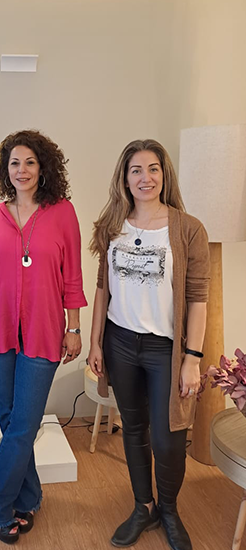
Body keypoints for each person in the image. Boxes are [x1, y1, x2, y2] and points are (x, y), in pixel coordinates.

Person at [0, 130, 88, 544]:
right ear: (5, 170)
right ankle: (29, 497)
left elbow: (72, 276)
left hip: (44, 330)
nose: (22, 170)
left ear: (43, 167)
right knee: (9, 418)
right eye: (14, 163)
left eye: (30, 162)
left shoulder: (62, 212)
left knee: (23, 424)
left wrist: (73, 328)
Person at [87, 139, 210, 550]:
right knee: (134, 427)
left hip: (165, 350)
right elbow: (102, 288)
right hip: (120, 343)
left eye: (153, 169)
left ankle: (169, 510)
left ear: (164, 174)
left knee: (169, 437)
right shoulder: (112, 225)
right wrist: (95, 343)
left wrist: (192, 358)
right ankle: (144, 507)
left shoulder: (188, 228)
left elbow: (198, 297)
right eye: (136, 170)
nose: (145, 177)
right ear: (125, 178)